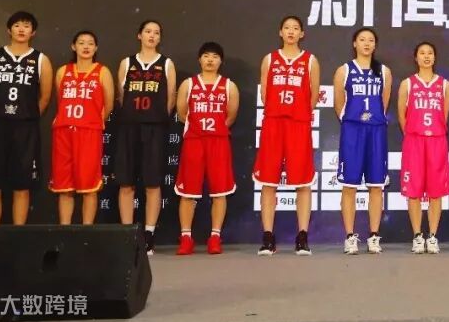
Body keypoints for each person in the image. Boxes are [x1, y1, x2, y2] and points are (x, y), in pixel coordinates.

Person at [0, 11, 54, 225]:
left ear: (33, 32)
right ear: (9, 29)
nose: (21, 29)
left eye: (26, 26)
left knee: (22, 184)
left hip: (25, 129)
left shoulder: (41, 60)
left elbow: (45, 98)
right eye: (17, 25)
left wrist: (25, 116)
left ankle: (18, 236)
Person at [253, 16, 320, 256]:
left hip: (298, 124)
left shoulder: (310, 60)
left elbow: (313, 95)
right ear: (280, 32)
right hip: (274, 123)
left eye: (295, 28)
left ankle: (302, 236)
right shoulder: (269, 59)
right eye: (287, 28)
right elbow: (264, 94)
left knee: (302, 181)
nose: (291, 32)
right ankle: (268, 236)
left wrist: (299, 113)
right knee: (268, 181)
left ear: (302, 33)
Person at [113, 20, 177, 255]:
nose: (152, 36)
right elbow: (121, 96)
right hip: (129, 127)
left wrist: (156, 118)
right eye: (148, 31)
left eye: (156, 33)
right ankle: (128, 234)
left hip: (154, 129)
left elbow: (170, 98)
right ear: (139, 35)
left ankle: (149, 234)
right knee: (126, 182)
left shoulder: (166, 64)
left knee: (153, 182)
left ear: (160, 38)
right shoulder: (126, 63)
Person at [174, 42, 239, 255]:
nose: (210, 60)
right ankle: (186, 237)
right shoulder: (188, 84)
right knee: (188, 192)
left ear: (221, 61)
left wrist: (215, 129)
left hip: (218, 141)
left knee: (220, 192)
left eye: (215, 56)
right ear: (199, 59)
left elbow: (231, 116)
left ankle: (215, 236)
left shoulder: (229, 86)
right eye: (206, 56)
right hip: (194, 141)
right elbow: (182, 114)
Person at [335, 28, 392, 255]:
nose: (366, 43)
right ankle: (350, 236)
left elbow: (384, 102)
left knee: (376, 185)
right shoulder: (344, 70)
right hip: (353, 130)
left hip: (376, 131)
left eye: (370, 40)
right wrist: (353, 120)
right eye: (362, 40)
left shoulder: (384, 71)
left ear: (375, 45)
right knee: (349, 185)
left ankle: (374, 236)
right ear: (354, 44)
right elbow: (339, 104)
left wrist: (372, 119)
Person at [50, 31, 114, 225]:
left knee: (89, 186)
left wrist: (91, 121)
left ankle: (87, 232)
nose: (86, 47)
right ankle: (64, 230)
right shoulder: (63, 71)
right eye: (81, 43)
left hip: (88, 132)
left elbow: (108, 105)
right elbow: (60, 101)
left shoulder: (102, 71)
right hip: (64, 132)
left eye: (90, 43)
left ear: (96, 48)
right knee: (64, 187)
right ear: (73, 46)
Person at [397, 42, 449, 255]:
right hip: (414, 141)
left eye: (430, 53)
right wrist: (413, 133)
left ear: (435, 57)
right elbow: (402, 116)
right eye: (422, 53)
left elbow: (444, 115)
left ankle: (433, 235)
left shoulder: (444, 85)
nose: (426, 56)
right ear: (416, 58)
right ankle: (418, 235)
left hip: (437, 140)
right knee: (414, 191)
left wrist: (433, 131)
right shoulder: (407, 84)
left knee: (436, 191)